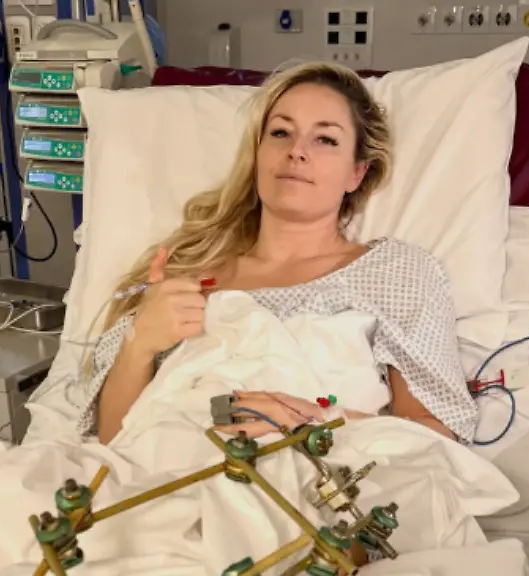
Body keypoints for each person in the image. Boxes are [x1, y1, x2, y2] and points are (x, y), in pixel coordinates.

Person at [73, 61, 477, 454]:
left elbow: (437, 438)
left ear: (357, 173)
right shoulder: (186, 274)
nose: (296, 151)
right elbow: (115, 442)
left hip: (323, 485)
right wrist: (140, 342)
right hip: (169, 478)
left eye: (326, 139)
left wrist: (315, 422)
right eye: (281, 132)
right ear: (258, 155)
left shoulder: (395, 273)